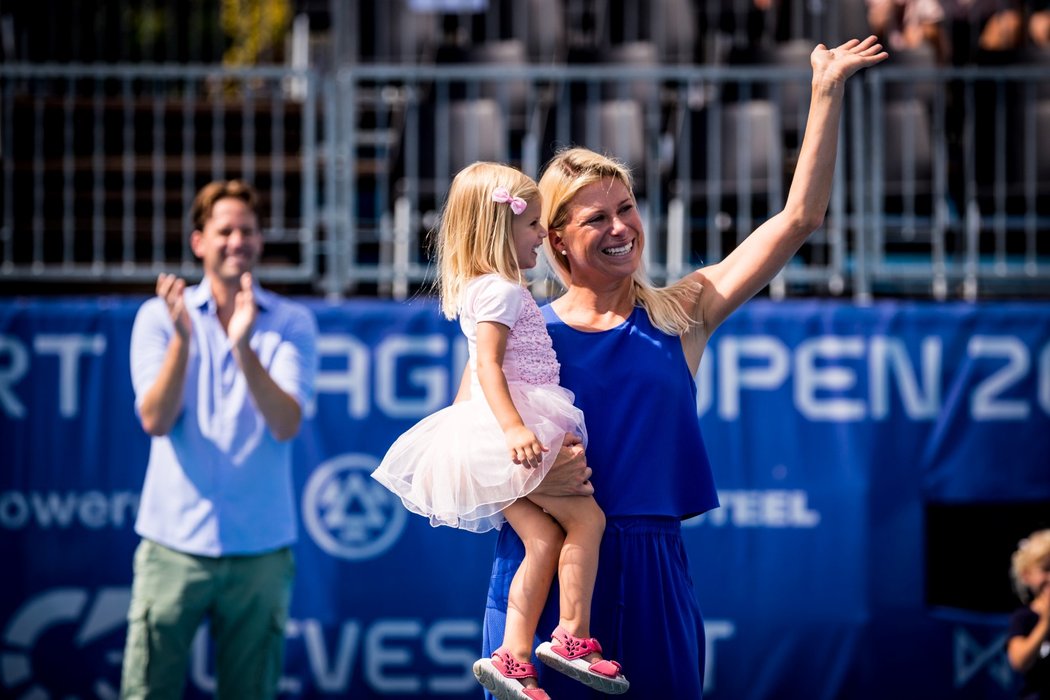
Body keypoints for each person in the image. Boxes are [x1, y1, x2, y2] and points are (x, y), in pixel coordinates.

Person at [477, 36, 888, 698]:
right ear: (555, 239)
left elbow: (799, 218)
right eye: (596, 219)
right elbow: (464, 449)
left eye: (626, 209)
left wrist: (825, 91)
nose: (621, 229)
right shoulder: (521, 328)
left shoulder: (680, 313)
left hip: (652, 572)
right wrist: (530, 471)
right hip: (543, 573)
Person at [371, 162, 629, 700]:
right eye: (533, 223)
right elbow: (487, 366)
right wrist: (514, 430)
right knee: (587, 518)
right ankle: (573, 635)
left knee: (542, 538)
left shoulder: (488, 290)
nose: (542, 233)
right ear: (499, 230)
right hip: (503, 436)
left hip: (490, 438)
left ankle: (512, 656)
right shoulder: (501, 293)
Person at [121, 180, 319, 699]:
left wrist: (243, 346)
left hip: (261, 548)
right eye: (224, 230)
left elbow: (285, 423)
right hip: (172, 546)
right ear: (199, 242)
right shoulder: (158, 317)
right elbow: (156, 420)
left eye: (247, 231)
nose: (238, 241)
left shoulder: (292, 322)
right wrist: (184, 340)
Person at [1007, 529, 1050, 699]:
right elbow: (1019, 661)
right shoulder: (1024, 617)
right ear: (1026, 576)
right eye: (1046, 569)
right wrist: (1046, 623)